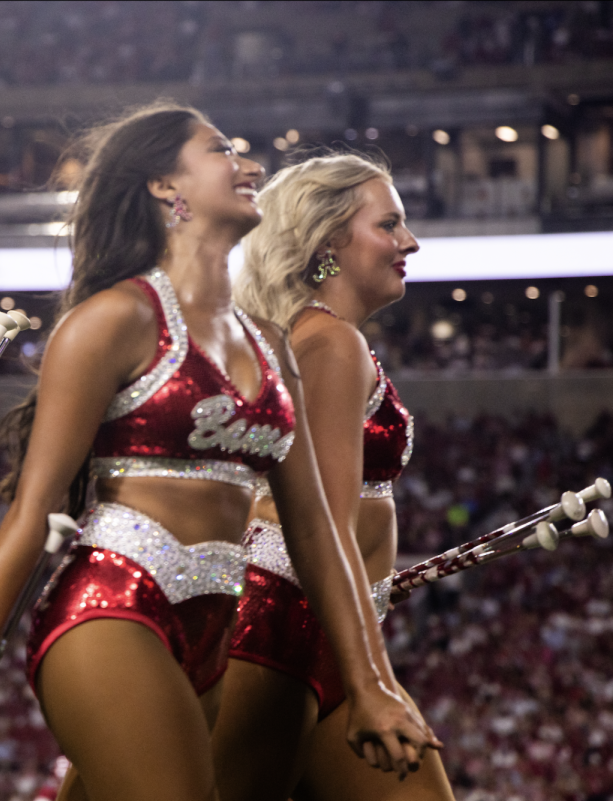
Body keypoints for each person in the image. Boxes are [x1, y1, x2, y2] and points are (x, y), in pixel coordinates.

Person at [0, 105, 439, 801]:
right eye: (223, 150)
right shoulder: (113, 319)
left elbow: (317, 530)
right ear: (168, 187)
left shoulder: (271, 345)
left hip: (217, 629)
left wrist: (373, 682)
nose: (252, 166)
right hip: (110, 605)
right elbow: (30, 513)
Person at [211, 153, 455, 801]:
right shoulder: (328, 343)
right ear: (328, 242)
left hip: (324, 623)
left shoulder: (309, 340)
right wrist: (370, 675)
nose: (410, 242)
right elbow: (323, 523)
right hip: (284, 619)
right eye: (390, 224)